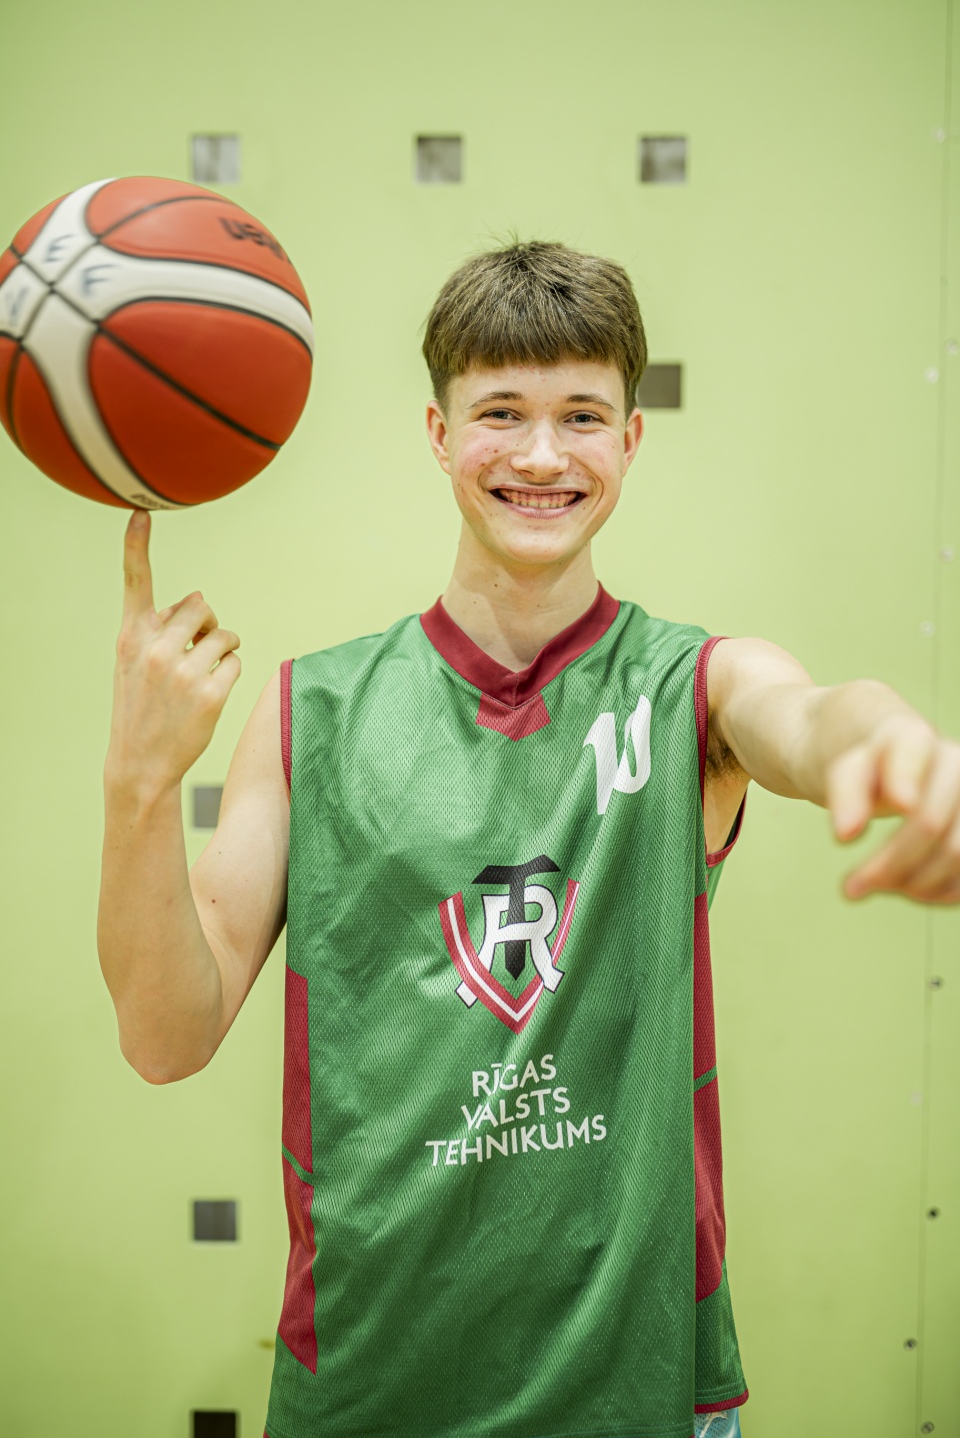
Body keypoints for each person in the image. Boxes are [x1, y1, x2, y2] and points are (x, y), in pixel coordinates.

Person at [98, 242, 960, 1438]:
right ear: (440, 433)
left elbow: (810, 717)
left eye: (582, 416)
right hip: (370, 1390)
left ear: (631, 441)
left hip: (641, 1391)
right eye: (501, 411)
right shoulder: (311, 710)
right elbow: (164, 1036)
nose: (544, 456)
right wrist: (139, 785)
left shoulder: (688, 687)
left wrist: (899, 745)